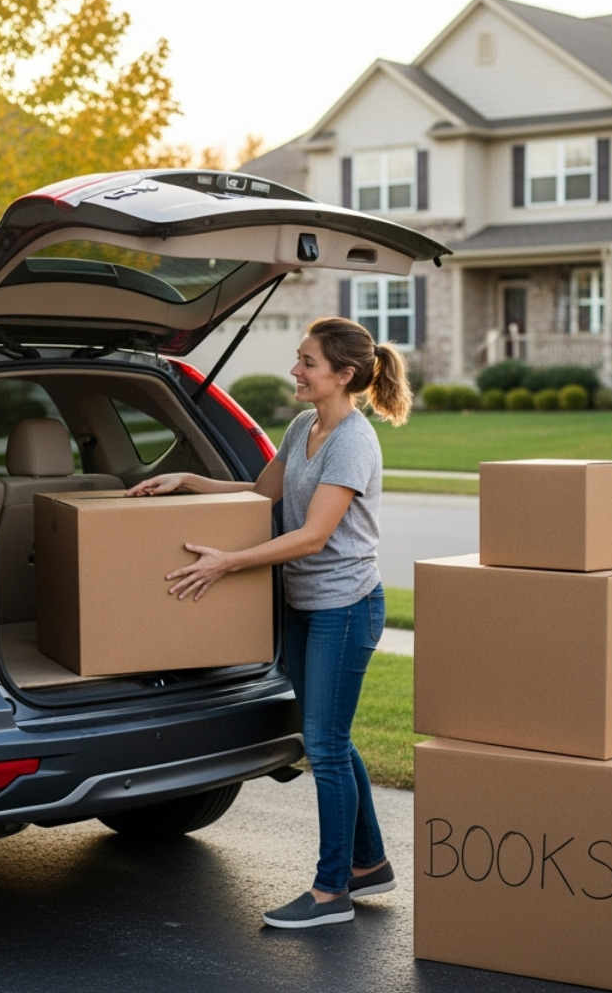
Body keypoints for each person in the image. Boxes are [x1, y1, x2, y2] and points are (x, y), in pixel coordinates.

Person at [125, 316, 411, 929]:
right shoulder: (305, 425)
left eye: (308, 361)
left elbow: (311, 536)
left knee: (326, 748)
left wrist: (229, 563)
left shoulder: (354, 442)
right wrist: (189, 481)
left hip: (346, 607)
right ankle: (369, 863)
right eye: (299, 359)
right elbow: (261, 496)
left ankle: (331, 892)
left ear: (344, 374)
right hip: (307, 606)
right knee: (328, 739)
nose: (296, 370)